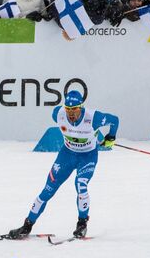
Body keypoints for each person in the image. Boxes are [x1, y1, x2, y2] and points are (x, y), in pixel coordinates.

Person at [8, 90, 119, 240]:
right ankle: (27, 225)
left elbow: (114, 120)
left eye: (75, 110)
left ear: (81, 107)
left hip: (87, 157)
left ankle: (81, 224)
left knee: (80, 184)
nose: (71, 114)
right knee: (48, 190)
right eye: (68, 110)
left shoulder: (93, 117)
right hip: (67, 155)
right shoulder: (57, 114)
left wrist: (110, 137)